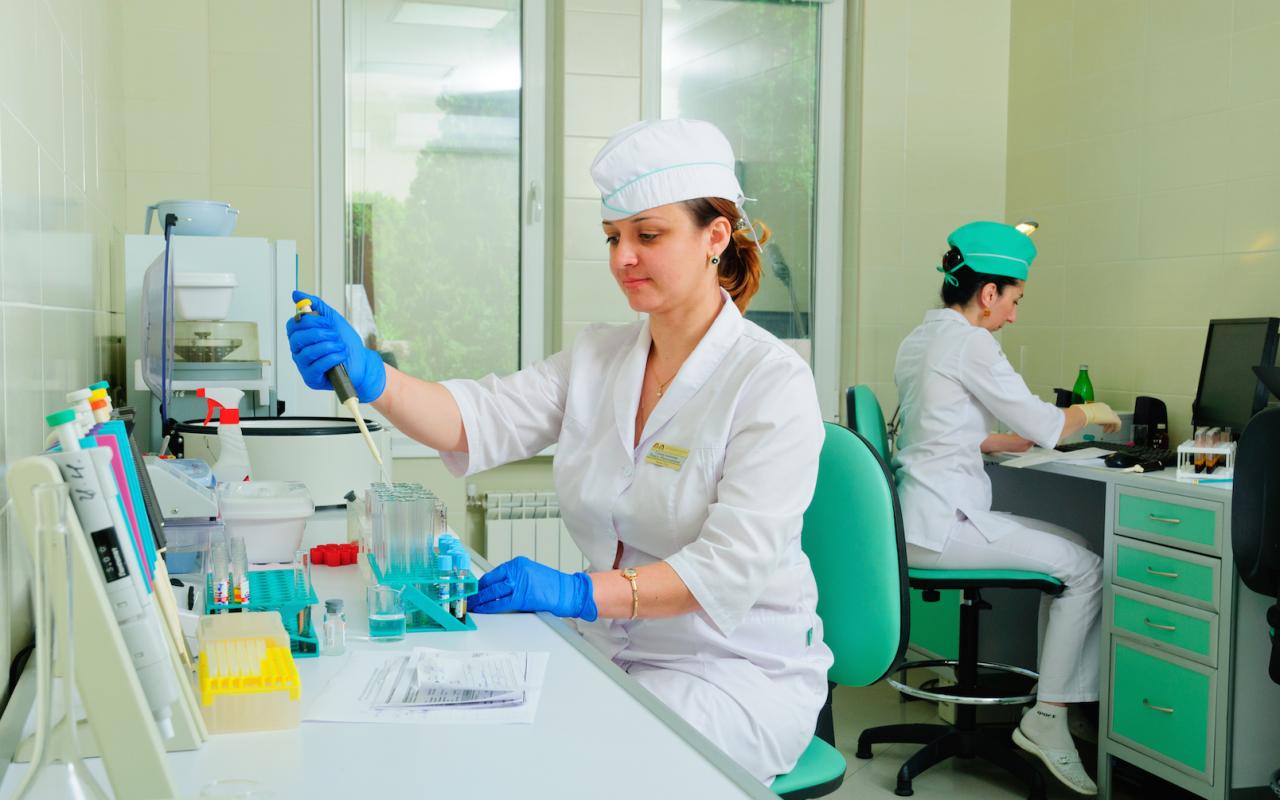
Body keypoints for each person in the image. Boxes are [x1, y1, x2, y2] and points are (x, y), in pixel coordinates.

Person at [286, 118, 833, 783]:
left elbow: (725, 570)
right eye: (613, 237)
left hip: (732, 671)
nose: (622, 258)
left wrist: (576, 591)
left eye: (648, 236)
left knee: (587, 772)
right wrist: (373, 377)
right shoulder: (599, 357)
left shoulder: (770, 382)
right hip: (610, 647)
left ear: (715, 237)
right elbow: (478, 419)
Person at [892, 221, 1121, 796]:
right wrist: (1090, 412)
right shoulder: (970, 342)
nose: (1014, 315)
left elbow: (934, 430)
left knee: (1078, 549)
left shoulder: (921, 337)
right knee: (1087, 569)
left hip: (919, 515)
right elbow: (1047, 424)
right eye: (1015, 300)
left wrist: (1002, 439)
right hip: (944, 524)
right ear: (989, 293)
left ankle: (1058, 700)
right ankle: (1049, 717)